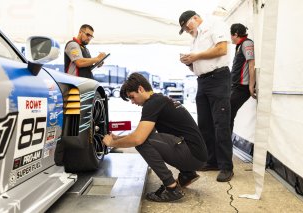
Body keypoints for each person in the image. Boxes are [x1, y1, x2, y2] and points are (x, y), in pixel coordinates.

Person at [103, 73, 207, 202]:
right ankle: (187, 174)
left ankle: (171, 188)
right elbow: (144, 133)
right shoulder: (159, 100)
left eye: (132, 97)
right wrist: (118, 138)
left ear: (140, 89)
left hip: (193, 156)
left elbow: (138, 139)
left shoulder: (152, 104)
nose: (132, 102)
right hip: (197, 154)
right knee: (148, 138)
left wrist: (112, 143)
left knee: (142, 143)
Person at [179, 10, 233, 182]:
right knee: (205, 125)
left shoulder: (215, 24)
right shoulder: (195, 39)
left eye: (187, 26)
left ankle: (226, 167)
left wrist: (196, 56)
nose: (187, 30)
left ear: (195, 18)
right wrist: (190, 62)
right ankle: (212, 161)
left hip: (218, 79)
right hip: (202, 81)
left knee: (221, 124)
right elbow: (200, 62)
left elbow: (221, 49)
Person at [230, 23, 256, 132]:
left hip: (242, 88)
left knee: (227, 114)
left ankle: (225, 147)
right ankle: (224, 146)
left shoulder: (247, 43)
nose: (230, 38)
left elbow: (252, 64)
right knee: (227, 116)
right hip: (235, 86)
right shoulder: (239, 46)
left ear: (235, 34)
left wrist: (251, 86)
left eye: (231, 35)